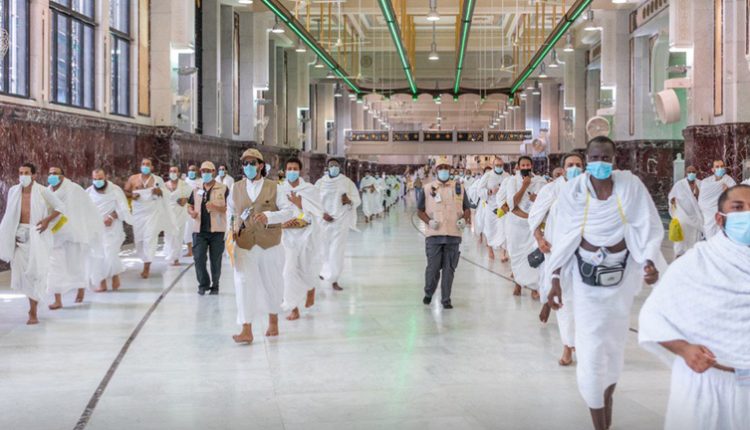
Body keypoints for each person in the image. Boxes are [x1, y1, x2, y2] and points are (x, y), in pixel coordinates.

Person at [546, 136, 666, 430]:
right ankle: (598, 419)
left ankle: (606, 403)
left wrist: (649, 261)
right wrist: (555, 278)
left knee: (613, 348)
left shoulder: (630, 186)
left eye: (605, 157)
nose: (600, 162)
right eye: (595, 157)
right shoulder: (574, 191)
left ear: (615, 160)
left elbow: (646, 226)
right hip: (586, 282)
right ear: (587, 159)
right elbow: (564, 237)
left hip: (620, 279)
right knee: (590, 351)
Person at [639, 184, 750, 430]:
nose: (747, 214)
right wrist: (685, 349)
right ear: (720, 219)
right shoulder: (696, 262)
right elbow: (653, 315)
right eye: (738, 208)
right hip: (706, 384)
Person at [228, 149, 300, 344]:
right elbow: (231, 213)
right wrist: (231, 231)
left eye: (252, 163)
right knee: (243, 284)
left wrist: (269, 216)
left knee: (272, 283)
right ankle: (246, 329)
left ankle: (273, 321)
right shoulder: (235, 188)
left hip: (269, 244)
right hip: (244, 243)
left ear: (260, 165)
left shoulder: (274, 187)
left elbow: (289, 211)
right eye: (245, 163)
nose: (248, 167)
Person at [532, 153, 584, 366]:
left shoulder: (590, 189)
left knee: (584, 302)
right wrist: (539, 238)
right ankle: (567, 346)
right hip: (557, 252)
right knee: (565, 301)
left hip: (585, 254)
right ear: (562, 169)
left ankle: (582, 345)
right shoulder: (551, 190)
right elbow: (535, 217)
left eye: (578, 165)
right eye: (570, 165)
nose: (574, 168)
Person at [0, 163, 64, 324]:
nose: (23, 176)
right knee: (24, 274)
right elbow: (9, 215)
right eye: (21, 173)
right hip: (19, 236)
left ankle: (33, 311)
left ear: (34, 175)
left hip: (38, 234)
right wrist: (10, 235)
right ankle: (32, 306)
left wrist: (47, 221)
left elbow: (60, 207)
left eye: (26, 173)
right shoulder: (13, 191)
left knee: (36, 272)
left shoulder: (43, 191)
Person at [46, 166, 103, 309]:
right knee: (54, 267)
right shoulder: (47, 191)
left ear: (62, 175)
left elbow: (87, 209)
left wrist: (87, 228)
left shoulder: (75, 189)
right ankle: (57, 300)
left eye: (55, 173)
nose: (52, 176)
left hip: (73, 234)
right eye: (50, 173)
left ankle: (80, 288)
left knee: (76, 266)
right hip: (54, 234)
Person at [417, 160, 471, 309]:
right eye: (441, 168)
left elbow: (467, 208)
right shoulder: (428, 188)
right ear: (436, 171)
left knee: (449, 269)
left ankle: (446, 299)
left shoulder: (459, 188)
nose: (444, 171)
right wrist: (429, 221)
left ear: (450, 170)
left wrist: (464, 219)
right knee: (433, 268)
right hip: (434, 235)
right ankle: (429, 292)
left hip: (453, 235)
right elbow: (420, 211)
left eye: (446, 168)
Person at [279, 157, 324, 320]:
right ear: (285, 171)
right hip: (286, 236)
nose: (291, 171)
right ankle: (293, 307)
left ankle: (311, 288)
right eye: (289, 169)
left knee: (305, 268)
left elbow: (318, 212)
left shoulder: (309, 189)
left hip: (306, 234)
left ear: (300, 171)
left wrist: (300, 204)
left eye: (294, 169)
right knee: (288, 271)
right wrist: (283, 223)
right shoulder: (279, 189)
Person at [502, 156, 547, 299]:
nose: (526, 167)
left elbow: (546, 202)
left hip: (533, 226)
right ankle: (518, 283)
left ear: (531, 166)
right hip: (516, 225)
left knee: (534, 255)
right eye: (523, 165)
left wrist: (537, 199)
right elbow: (511, 205)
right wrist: (524, 186)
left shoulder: (540, 181)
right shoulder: (512, 181)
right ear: (519, 167)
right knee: (517, 256)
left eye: (528, 165)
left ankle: (534, 286)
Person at [123, 158, 176, 279]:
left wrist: (160, 191)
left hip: (153, 213)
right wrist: (132, 195)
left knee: (150, 237)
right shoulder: (133, 179)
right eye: (143, 164)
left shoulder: (158, 180)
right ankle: (144, 259)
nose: (145, 166)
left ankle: (147, 266)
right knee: (140, 240)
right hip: (138, 214)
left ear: (152, 167)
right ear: (140, 165)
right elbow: (125, 192)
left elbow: (167, 194)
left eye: (148, 164)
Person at [315, 158, 361, 291]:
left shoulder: (346, 182)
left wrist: (349, 200)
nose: (333, 167)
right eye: (331, 165)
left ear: (339, 167)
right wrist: (322, 213)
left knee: (337, 251)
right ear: (327, 167)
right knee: (323, 250)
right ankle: (323, 272)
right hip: (323, 221)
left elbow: (356, 199)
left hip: (340, 222)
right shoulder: (320, 182)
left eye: (336, 165)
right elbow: (313, 200)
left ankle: (334, 279)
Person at [86, 169, 132, 292]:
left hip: (113, 228)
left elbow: (123, 209)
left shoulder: (115, 190)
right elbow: (84, 210)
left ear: (105, 177)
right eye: (95, 179)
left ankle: (115, 276)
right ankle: (102, 282)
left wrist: (111, 217)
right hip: (95, 229)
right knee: (98, 255)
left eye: (100, 178)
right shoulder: (88, 192)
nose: (97, 181)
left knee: (110, 253)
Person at [188, 162, 229, 295]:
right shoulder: (196, 188)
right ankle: (203, 284)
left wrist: (215, 207)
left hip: (217, 230)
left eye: (208, 171)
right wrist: (191, 212)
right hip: (199, 230)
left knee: (215, 260)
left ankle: (215, 285)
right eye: (203, 171)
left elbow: (229, 208)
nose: (205, 173)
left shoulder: (223, 188)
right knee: (198, 258)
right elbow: (190, 205)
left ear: (213, 172)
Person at [476, 158, 510, 260]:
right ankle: (490, 249)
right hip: (490, 207)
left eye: (501, 165)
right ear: (493, 165)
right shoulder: (488, 176)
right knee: (490, 230)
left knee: (504, 230)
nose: (499, 167)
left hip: (503, 208)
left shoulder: (507, 176)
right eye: (497, 165)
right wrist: (490, 191)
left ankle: (503, 254)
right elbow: (479, 190)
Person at [668, 165, 703, 257]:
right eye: (689, 172)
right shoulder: (679, 184)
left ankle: (693, 255)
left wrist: (698, 194)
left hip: (696, 216)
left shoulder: (700, 184)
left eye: (693, 172)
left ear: (696, 173)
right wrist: (672, 200)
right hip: (683, 216)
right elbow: (671, 196)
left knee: (694, 237)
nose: (691, 173)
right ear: (686, 173)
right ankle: (679, 254)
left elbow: (704, 199)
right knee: (682, 237)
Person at [698, 160, 737, 239]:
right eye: (717, 167)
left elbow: (736, 196)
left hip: (723, 213)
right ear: (713, 169)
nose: (720, 168)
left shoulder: (729, 181)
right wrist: (709, 208)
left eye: (722, 166)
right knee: (710, 235)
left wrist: (727, 191)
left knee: (722, 237)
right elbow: (702, 200)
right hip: (709, 215)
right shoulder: (706, 182)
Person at [164, 166, 193, 266]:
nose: (173, 173)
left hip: (180, 213)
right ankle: (170, 255)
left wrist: (186, 199)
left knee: (178, 236)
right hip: (168, 214)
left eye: (175, 171)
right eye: (171, 171)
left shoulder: (184, 185)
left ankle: (176, 258)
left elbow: (191, 195)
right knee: (169, 236)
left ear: (178, 173)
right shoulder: (165, 185)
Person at [184, 164, 202, 257]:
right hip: (187, 209)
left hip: (198, 208)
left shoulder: (201, 181)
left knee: (198, 229)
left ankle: (199, 249)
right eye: (190, 170)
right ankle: (189, 251)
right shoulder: (185, 181)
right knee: (187, 230)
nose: (191, 172)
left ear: (197, 171)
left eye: (193, 170)